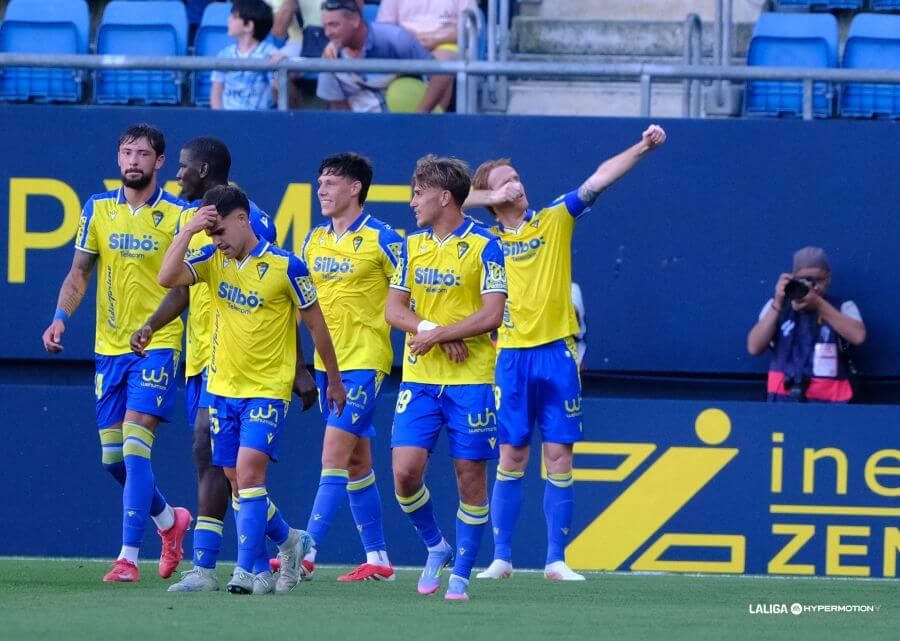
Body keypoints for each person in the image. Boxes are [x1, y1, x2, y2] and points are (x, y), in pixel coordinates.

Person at [465, 124, 667, 581]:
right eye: (506, 181)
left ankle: (556, 559)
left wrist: (643, 146)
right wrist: (486, 194)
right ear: (490, 197)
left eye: (518, 177)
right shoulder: (482, 242)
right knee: (511, 456)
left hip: (557, 356)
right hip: (511, 357)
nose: (518, 184)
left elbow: (599, 177)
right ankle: (502, 558)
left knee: (559, 455)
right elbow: (445, 203)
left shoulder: (553, 218)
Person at [128, 137, 316, 592]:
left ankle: (218, 567)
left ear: (205, 169)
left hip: (248, 365)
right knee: (220, 465)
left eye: (185, 167)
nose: (178, 174)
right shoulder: (196, 222)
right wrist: (153, 323)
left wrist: (299, 368)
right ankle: (283, 542)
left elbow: (274, 292)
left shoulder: (249, 220)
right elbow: (181, 285)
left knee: (220, 458)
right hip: (205, 355)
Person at [158, 185, 346, 594]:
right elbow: (166, 276)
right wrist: (190, 230)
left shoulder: (287, 267)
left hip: (267, 390)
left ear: (243, 219)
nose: (218, 241)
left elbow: (317, 327)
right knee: (236, 480)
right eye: (213, 235)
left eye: (221, 231)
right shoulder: (211, 259)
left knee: (248, 472)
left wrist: (331, 378)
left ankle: (247, 571)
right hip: (221, 388)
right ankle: (290, 541)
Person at [41, 123, 192, 583]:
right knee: (113, 460)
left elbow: (185, 287)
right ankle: (169, 521)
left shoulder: (179, 216)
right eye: (126, 152)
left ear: (159, 162)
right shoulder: (98, 209)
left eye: (143, 154)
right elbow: (79, 273)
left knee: (134, 445)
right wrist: (60, 316)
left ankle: (128, 556)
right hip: (109, 349)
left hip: (157, 345)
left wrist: (153, 326)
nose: (133, 161)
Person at [386, 155, 507, 601]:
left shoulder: (485, 245)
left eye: (419, 192)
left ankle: (461, 577)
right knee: (404, 474)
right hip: (420, 380)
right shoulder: (410, 247)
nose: (412, 200)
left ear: (444, 197)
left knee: (469, 477)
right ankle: (437, 546)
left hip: (471, 380)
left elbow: (493, 314)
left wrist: (442, 335)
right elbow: (394, 310)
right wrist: (431, 331)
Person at [287, 153, 402, 582]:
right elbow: (301, 307)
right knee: (356, 464)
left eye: (331, 182)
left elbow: (414, 292)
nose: (322, 190)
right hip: (325, 366)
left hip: (364, 363)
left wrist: (434, 333)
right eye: (319, 183)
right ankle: (379, 560)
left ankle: (307, 552)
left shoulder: (383, 239)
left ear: (355, 188)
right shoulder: (313, 241)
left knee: (332, 457)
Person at [747, 247, 866, 403]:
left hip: (831, 409)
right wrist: (778, 302)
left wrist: (818, 303)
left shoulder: (843, 306)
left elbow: (858, 337)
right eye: (806, 279)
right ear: (793, 278)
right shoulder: (777, 307)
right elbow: (754, 347)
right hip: (782, 404)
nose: (813, 286)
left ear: (828, 278)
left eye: (819, 280)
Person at [317, 0, 453, 113]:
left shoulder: (395, 39)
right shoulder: (329, 57)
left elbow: (441, 75)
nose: (328, 33)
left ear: (355, 21)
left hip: (402, 124)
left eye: (334, 25)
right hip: (362, 129)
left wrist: (421, 116)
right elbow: (338, 109)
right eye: (325, 27)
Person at [211, 0, 282, 111]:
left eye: (234, 17)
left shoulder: (270, 53)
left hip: (259, 122)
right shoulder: (224, 54)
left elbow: (277, 91)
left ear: (248, 26)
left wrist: (278, 73)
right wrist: (219, 118)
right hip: (228, 121)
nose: (228, 20)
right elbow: (216, 91)